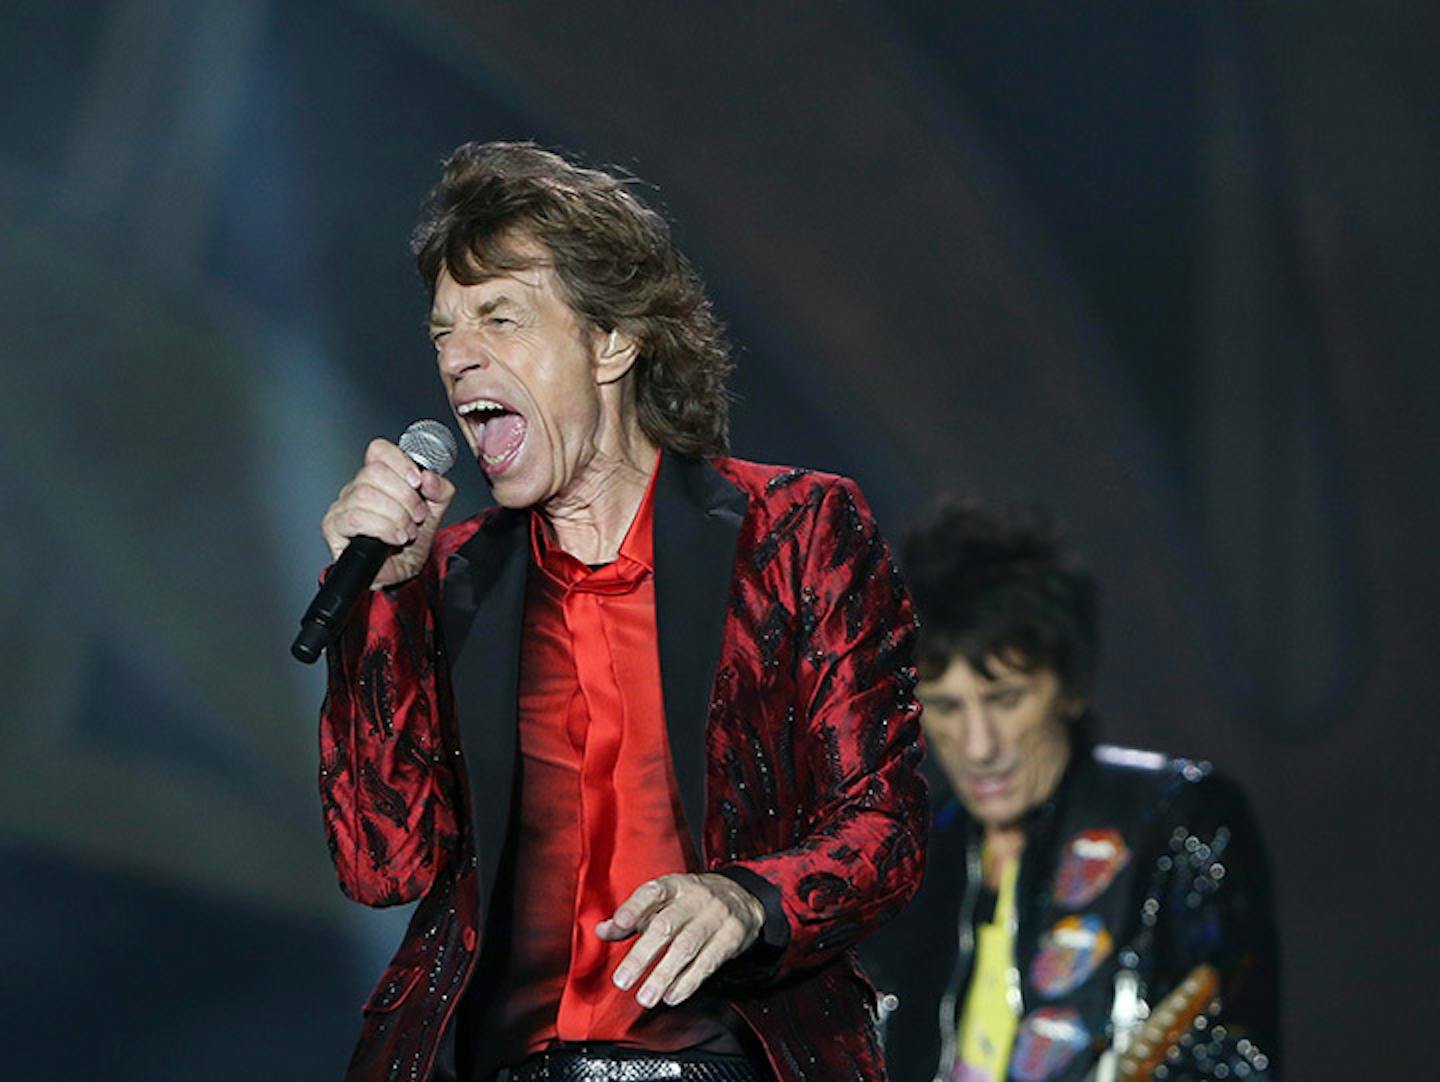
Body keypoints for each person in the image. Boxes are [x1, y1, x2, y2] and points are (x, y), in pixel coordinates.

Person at [313, 141, 927, 1082]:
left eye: (499, 318)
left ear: (613, 339)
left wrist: (748, 899)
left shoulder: (794, 532)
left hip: (725, 1060)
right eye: (443, 334)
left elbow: (881, 825)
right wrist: (384, 602)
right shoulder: (452, 581)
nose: (459, 358)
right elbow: (381, 865)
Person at [862, 502, 1279, 1081]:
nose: (979, 745)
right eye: (946, 707)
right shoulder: (907, 862)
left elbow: (1233, 1059)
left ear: (1071, 686)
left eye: (1005, 699)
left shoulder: (1175, 817)